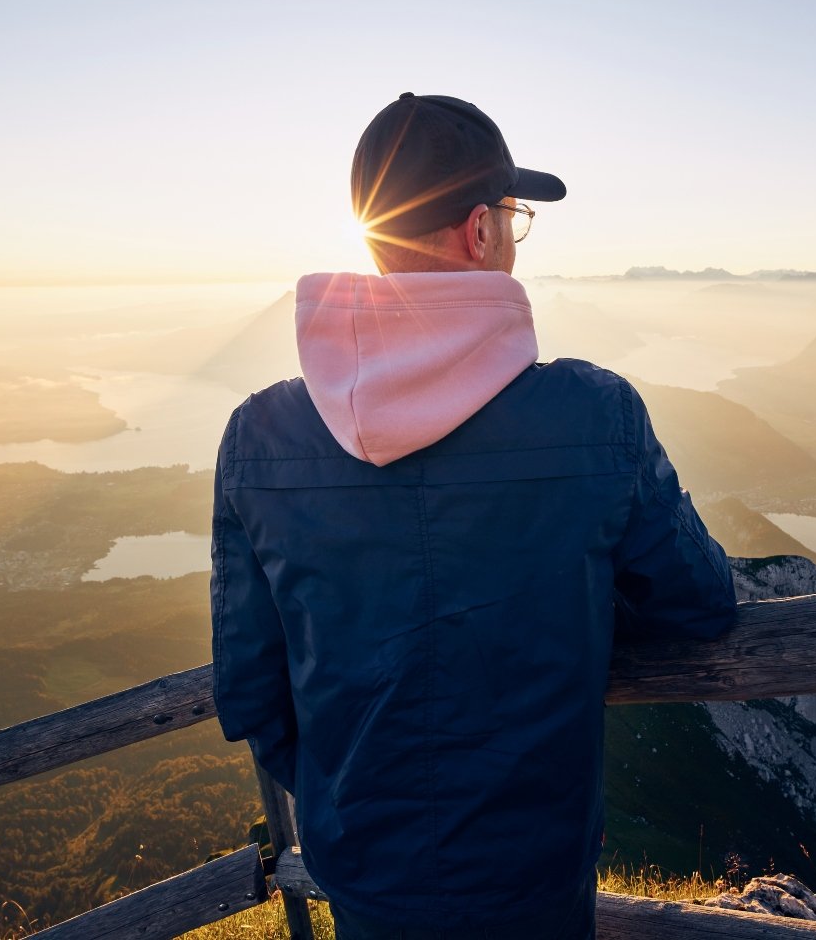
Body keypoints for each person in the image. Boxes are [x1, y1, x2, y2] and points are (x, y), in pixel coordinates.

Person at [211, 92, 737, 939]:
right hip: (536, 878)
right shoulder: (594, 414)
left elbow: (249, 689)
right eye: (513, 217)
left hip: (364, 879)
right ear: (479, 232)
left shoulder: (259, 438)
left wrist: (351, 802)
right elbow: (701, 603)